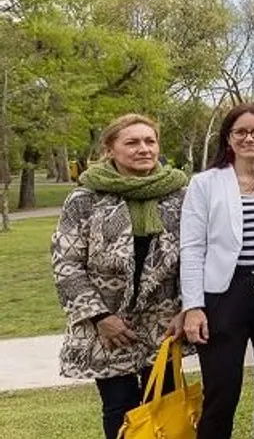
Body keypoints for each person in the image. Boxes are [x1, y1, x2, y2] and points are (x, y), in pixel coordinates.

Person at [52, 115, 189, 439]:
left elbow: (197, 256)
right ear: (110, 149)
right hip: (110, 326)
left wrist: (188, 307)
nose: (143, 149)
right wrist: (100, 317)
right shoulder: (85, 198)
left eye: (150, 141)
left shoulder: (180, 194)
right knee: (119, 408)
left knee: (164, 405)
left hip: (164, 322)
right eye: (132, 142)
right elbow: (66, 262)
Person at [181, 103, 254, 439]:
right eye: (241, 132)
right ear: (228, 139)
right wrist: (193, 306)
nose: (250, 138)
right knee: (222, 388)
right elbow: (191, 247)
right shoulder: (205, 183)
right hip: (224, 293)